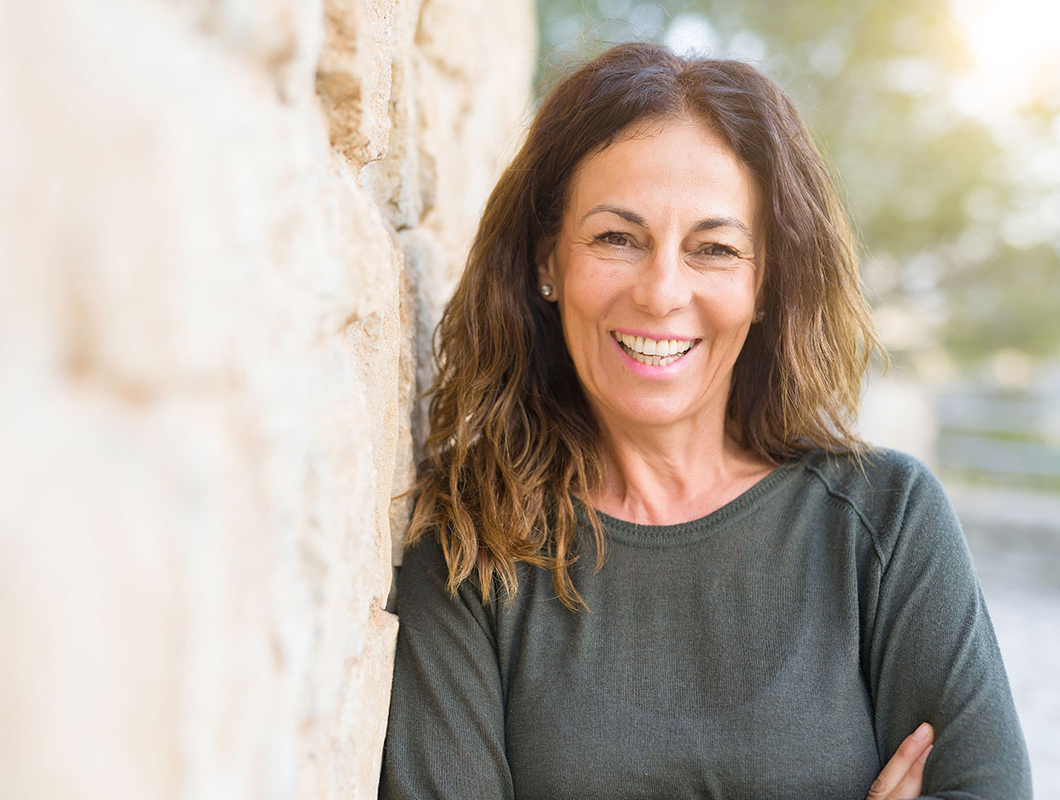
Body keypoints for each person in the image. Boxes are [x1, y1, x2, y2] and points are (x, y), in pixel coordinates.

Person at [379, 43, 1031, 799]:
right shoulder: (471, 541)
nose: (661, 292)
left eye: (714, 249)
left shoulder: (882, 522)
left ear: (765, 285)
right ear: (545, 262)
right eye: (617, 238)